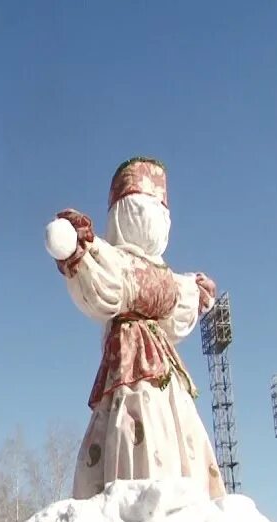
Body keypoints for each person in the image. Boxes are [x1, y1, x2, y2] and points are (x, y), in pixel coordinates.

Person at [45, 157, 225, 502]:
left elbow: (179, 299)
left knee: (170, 423)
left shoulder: (165, 278)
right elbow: (99, 276)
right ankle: (135, 503)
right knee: (137, 423)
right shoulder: (115, 263)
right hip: (127, 365)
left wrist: (196, 294)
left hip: (160, 370)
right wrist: (75, 248)